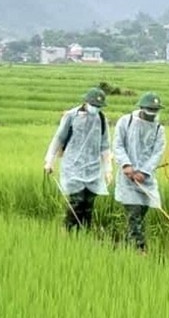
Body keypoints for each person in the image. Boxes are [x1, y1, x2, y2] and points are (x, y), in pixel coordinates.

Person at [43, 87, 113, 231]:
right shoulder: (71, 116)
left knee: (88, 205)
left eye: (99, 106)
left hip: (93, 168)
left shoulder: (101, 119)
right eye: (94, 105)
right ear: (86, 102)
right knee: (77, 201)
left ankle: (84, 235)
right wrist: (49, 161)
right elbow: (58, 139)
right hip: (73, 166)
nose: (96, 108)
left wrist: (108, 170)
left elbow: (105, 146)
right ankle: (67, 231)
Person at [113, 92, 167, 252]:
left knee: (140, 215)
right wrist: (126, 165)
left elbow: (157, 152)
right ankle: (139, 250)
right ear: (141, 108)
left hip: (146, 180)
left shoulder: (159, 129)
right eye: (149, 109)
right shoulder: (126, 121)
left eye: (155, 110)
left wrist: (144, 172)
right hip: (127, 179)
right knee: (134, 213)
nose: (152, 113)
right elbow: (117, 145)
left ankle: (125, 247)